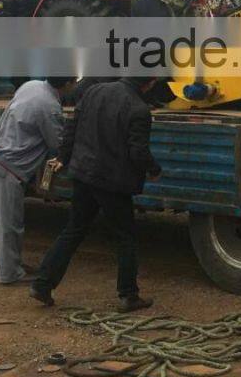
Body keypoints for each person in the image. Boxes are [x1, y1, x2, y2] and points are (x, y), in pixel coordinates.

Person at [29, 76, 162, 310]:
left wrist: (64, 156)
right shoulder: (139, 109)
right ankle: (128, 295)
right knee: (126, 237)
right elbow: (138, 151)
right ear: (150, 83)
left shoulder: (94, 91)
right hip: (112, 181)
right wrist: (154, 169)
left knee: (74, 229)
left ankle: (42, 284)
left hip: (84, 174)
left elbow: (72, 127)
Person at [0, 77, 76, 285]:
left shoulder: (32, 85)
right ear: (68, 83)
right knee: (10, 223)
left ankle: (9, 265)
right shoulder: (50, 107)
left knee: (2, 220)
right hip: (8, 165)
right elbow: (57, 143)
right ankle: (10, 274)